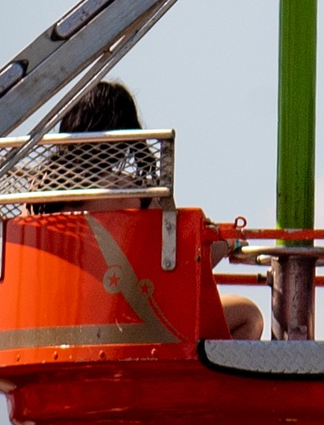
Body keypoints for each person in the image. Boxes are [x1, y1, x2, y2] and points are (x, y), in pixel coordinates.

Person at [44, 81, 264, 341]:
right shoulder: (134, 195)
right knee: (248, 314)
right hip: (131, 325)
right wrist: (227, 242)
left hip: (56, 321)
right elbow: (184, 262)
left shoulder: (37, 195)